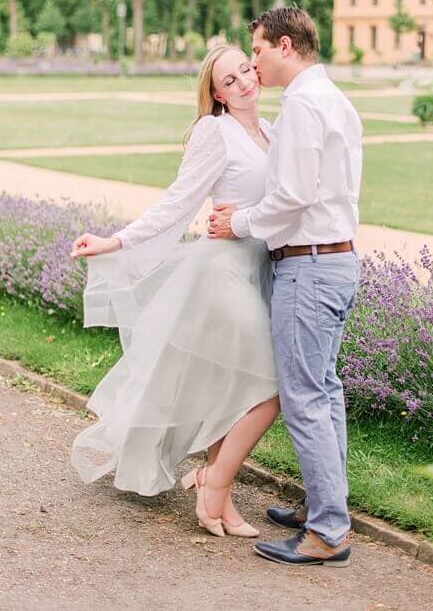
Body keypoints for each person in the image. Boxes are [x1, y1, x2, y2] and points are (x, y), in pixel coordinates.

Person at [70, 45, 281, 537]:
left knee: (233, 383)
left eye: (246, 71)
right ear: (217, 94)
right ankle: (212, 482)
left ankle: (221, 499)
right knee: (269, 384)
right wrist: (115, 241)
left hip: (258, 269)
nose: (244, 82)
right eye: (230, 81)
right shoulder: (216, 132)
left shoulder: (271, 132)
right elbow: (177, 203)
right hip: (221, 271)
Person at [208, 6, 363, 568]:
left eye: (258, 51)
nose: (253, 62)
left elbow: (294, 195)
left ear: (287, 46)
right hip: (338, 260)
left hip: (309, 266)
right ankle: (325, 507)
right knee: (325, 390)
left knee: (304, 397)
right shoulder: (335, 99)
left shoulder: (300, 105)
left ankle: (327, 531)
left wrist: (238, 222)